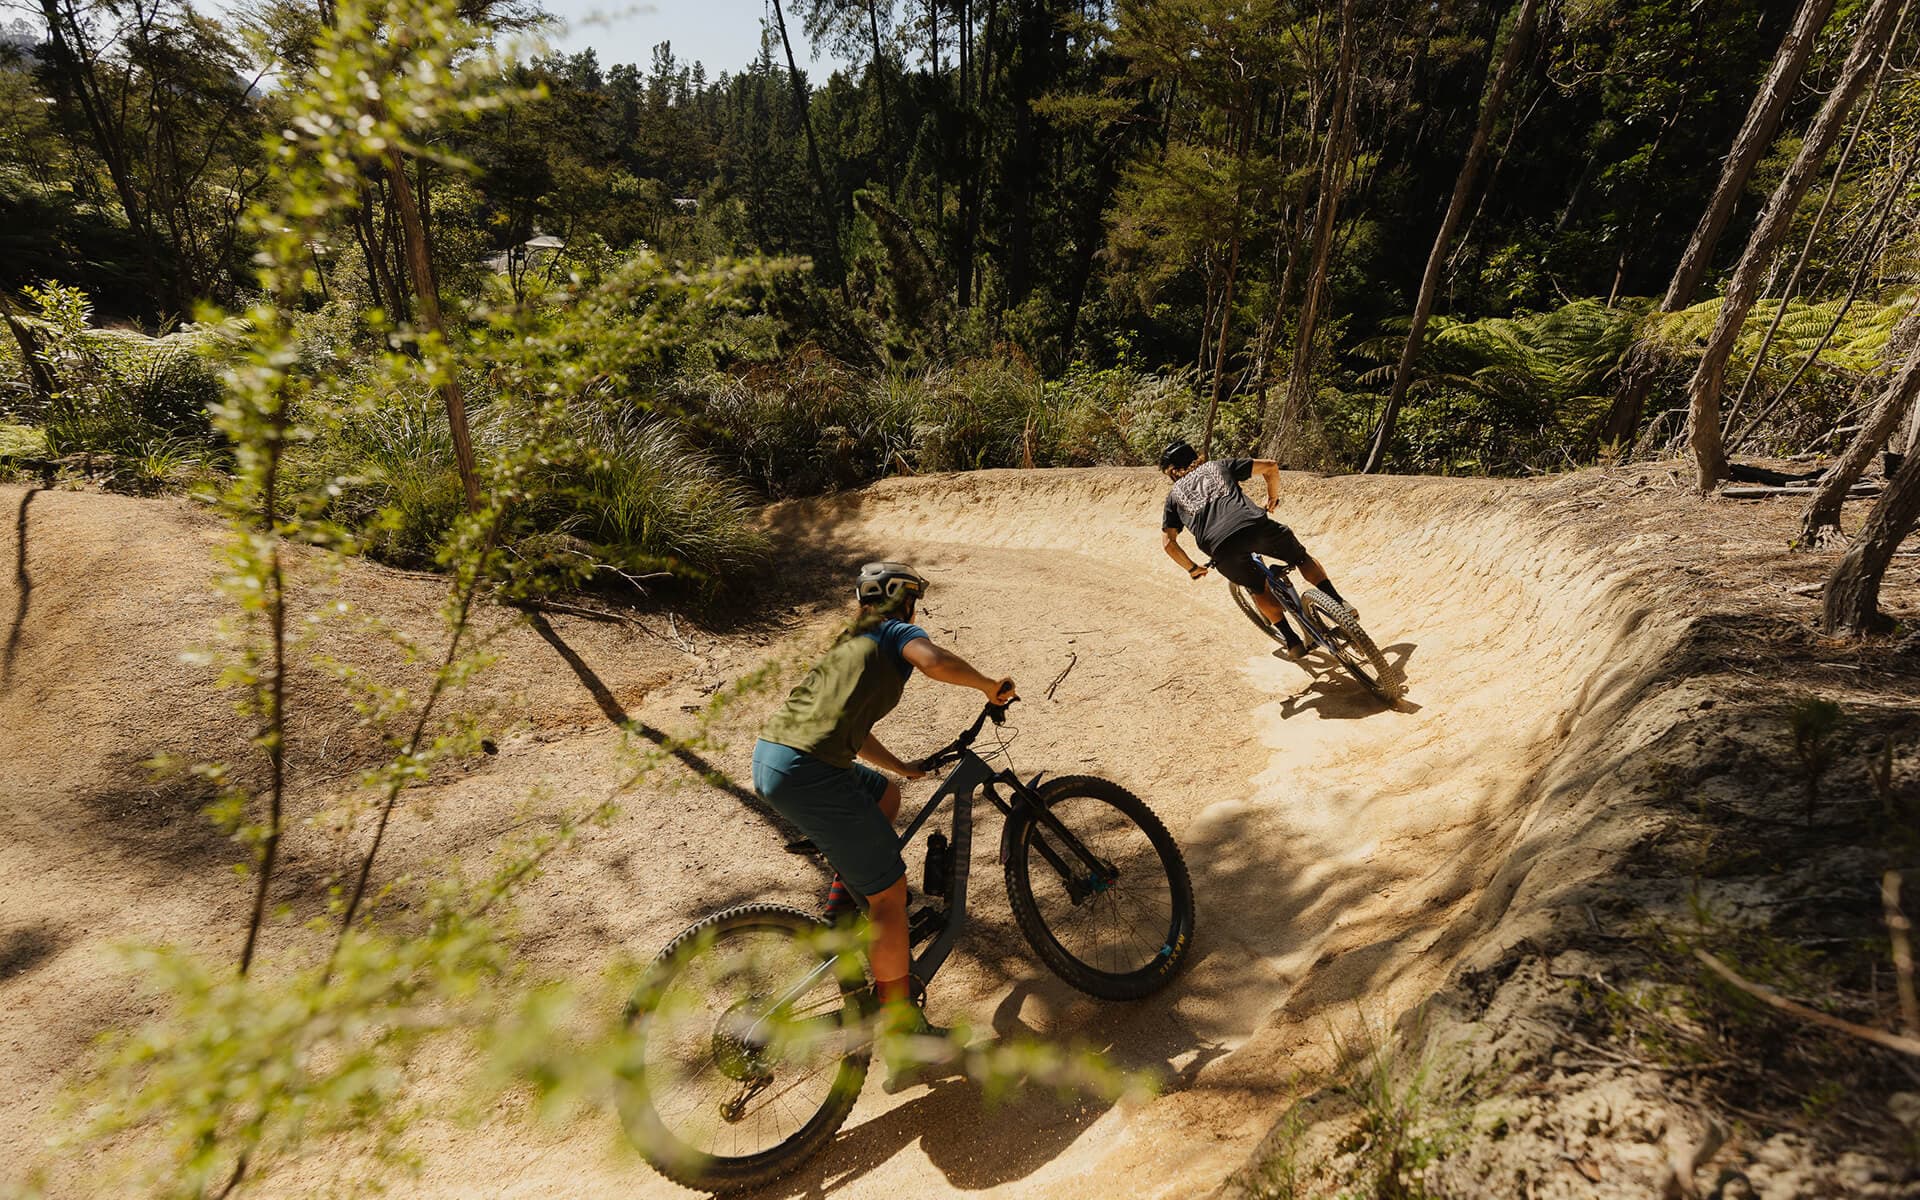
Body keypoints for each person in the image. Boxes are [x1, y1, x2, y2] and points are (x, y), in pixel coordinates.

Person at [752, 562, 1017, 1039]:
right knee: (890, 895)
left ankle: (839, 912)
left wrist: (900, 768)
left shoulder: (851, 641)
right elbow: (933, 661)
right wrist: (987, 687)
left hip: (778, 756)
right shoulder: (894, 630)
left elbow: (852, 729)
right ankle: (900, 1025)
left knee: (885, 795)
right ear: (905, 599)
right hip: (809, 771)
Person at [1157, 439, 1353, 656]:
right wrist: (1272, 497)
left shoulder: (1173, 497)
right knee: (1301, 558)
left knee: (1257, 588)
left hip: (1220, 547)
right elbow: (1270, 466)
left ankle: (1292, 641)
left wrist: (1192, 568)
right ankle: (1339, 603)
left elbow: (1168, 543)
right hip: (1254, 526)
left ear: (1174, 471)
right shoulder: (1219, 466)